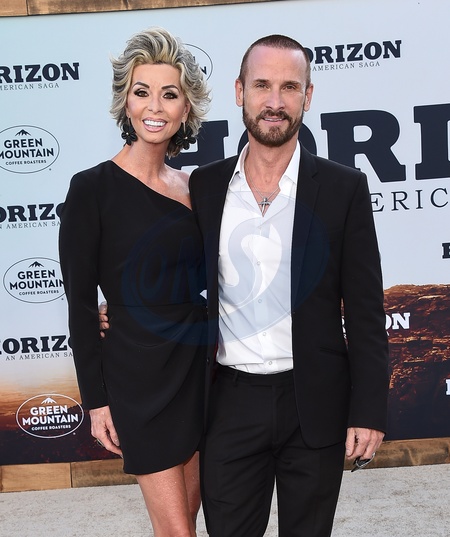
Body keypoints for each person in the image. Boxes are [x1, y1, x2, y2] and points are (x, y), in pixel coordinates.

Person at [188, 35, 390, 537]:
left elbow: (365, 310)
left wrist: (369, 410)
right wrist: (121, 310)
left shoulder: (343, 188)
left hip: (314, 401)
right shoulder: (204, 186)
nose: (274, 101)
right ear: (240, 92)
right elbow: (175, 281)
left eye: (289, 87)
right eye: (262, 85)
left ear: (308, 96)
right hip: (228, 402)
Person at [59, 27, 210, 537]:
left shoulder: (195, 188)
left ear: (186, 108)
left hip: (198, 366)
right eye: (142, 91)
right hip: (138, 376)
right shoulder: (91, 189)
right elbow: (81, 303)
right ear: (126, 101)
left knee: (188, 522)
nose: (155, 106)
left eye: (170, 94)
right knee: (176, 531)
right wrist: (96, 400)